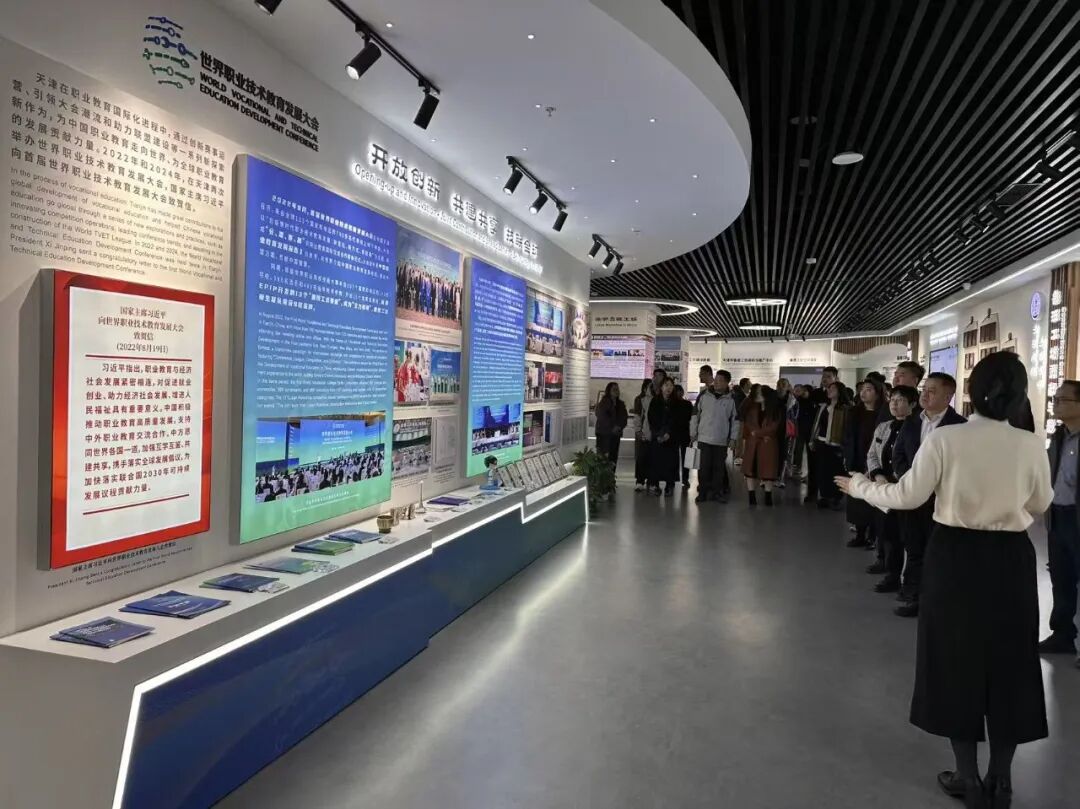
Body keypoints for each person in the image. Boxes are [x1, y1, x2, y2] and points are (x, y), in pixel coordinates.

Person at [837, 352, 1052, 809]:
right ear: (1019, 394)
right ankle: (1001, 780)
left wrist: (859, 486)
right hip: (1011, 559)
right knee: (1011, 663)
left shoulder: (946, 439)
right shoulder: (1030, 444)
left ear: (970, 392)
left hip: (955, 555)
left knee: (955, 661)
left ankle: (967, 778)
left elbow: (907, 496)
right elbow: (1039, 504)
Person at [891, 372, 966, 618]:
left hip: (942, 501)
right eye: (924, 389)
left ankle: (937, 601)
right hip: (913, 498)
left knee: (939, 553)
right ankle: (913, 596)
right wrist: (912, 481)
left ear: (948, 396)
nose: (925, 394)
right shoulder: (913, 421)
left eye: (932, 391)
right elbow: (898, 455)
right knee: (914, 549)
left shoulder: (959, 426)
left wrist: (933, 484)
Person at [864, 385, 918, 593]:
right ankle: (892, 575)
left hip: (906, 488)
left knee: (908, 537)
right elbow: (872, 454)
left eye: (900, 400)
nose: (894, 404)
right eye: (892, 400)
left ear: (912, 404)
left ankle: (910, 582)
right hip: (884, 488)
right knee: (889, 534)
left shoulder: (917, 428)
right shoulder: (884, 427)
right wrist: (878, 474)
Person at [1040, 379, 1080, 661]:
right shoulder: (1058, 436)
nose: (1056, 404)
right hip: (1057, 515)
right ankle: (1062, 635)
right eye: (1054, 399)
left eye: (1063, 399)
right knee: (1061, 579)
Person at [844, 379, 887, 547]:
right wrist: (848, 457)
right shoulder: (854, 412)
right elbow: (848, 437)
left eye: (868, 389)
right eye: (862, 389)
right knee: (857, 497)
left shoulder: (883, 415)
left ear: (877, 393)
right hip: (857, 459)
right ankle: (860, 533)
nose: (863, 393)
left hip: (875, 461)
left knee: (874, 499)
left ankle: (873, 536)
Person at [691, 366, 739, 504]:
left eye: (720, 380)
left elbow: (735, 420)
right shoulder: (704, 395)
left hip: (721, 440)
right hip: (704, 438)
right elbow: (695, 415)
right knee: (703, 467)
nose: (716, 382)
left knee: (719, 469)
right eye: (716, 379)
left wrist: (733, 438)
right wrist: (693, 432)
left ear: (726, 383)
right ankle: (702, 492)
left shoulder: (731, 399)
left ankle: (717, 492)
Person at [739, 385, 784, 506]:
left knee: (768, 472)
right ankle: (751, 496)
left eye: (760, 393)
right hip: (753, 443)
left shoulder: (774, 410)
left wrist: (757, 433)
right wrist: (758, 434)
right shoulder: (751, 407)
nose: (757, 395)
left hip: (768, 444)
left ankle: (768, 496)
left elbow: (774, 427)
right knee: (750, 470)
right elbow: (748, 423)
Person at [808, 380, 849, 509]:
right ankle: (824, 496)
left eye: (833, 389)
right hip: (822, 442)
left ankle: (836, 497)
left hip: (837, 444)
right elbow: (817, 424)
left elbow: (847, 428)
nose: (829, 391)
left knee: (836, 471)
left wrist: (845, 444)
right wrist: (812, 440)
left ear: (840, 392)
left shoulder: (845, 408)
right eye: (829, 388)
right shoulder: (823, 407)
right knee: (822, 471)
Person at [805, 367, 840, 501]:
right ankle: (812, 492)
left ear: (835, 378)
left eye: (828, 376)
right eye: (823, 376)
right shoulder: (815, 394)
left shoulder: (842, 393)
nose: (825, 379)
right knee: (813, 466)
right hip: (816, 436)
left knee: (831, 468)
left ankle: (831, 495)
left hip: (834, 439)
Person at [647, 377, 679, 496]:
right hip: (658, 438)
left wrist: (668, 433)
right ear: (661, 387)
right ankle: (654, 485)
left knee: (670, 463)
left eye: (671, 385)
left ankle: (669, 486)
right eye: (666, 385)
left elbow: (677, 421)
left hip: (671, 438)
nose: (668, 388)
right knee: (656, 462)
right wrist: (659, 434)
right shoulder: (655, 401)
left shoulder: (676, 402)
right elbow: (651, 419)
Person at [594, 382, 628, 469]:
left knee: (613, 457)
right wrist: (612, 427)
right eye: (614, 389)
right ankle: (603, 476)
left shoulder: (621, 404)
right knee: (603, 458)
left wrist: (619, 426)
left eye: (617, 389)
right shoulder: (603, 403)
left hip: (616, 435)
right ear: (609, 391)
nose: (617, 391)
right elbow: (602, 417)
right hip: (604, 434)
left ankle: (611, 475)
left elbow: (624, 417)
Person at [632, 379, 654, 492]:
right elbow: (637, 416)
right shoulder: (639, 399)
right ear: (645, 388)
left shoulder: (656, 399)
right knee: (641, 458)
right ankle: (639, 481)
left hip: (653, 434)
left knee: (652, 458)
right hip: (642, 433)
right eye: (650, 387)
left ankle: (651, 481)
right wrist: (638, 431)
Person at [672, 384, 694, 489]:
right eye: (677, 391)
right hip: (674, 434)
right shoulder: (671, 404)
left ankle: (685, 479)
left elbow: (692, 419)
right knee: (674, 458)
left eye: (680, 391)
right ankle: (673, 478)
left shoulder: (688, 404)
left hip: (685, 433)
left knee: (686, 458)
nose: (679, 393)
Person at [793, 384, 816, 481]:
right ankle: (798, 468)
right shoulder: (798, 401)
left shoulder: (813, 402)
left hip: (810, 430)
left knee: (809, 452)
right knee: (799, 448)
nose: (803, 392)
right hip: (800, 429)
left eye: (805, 390)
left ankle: (808, 473)